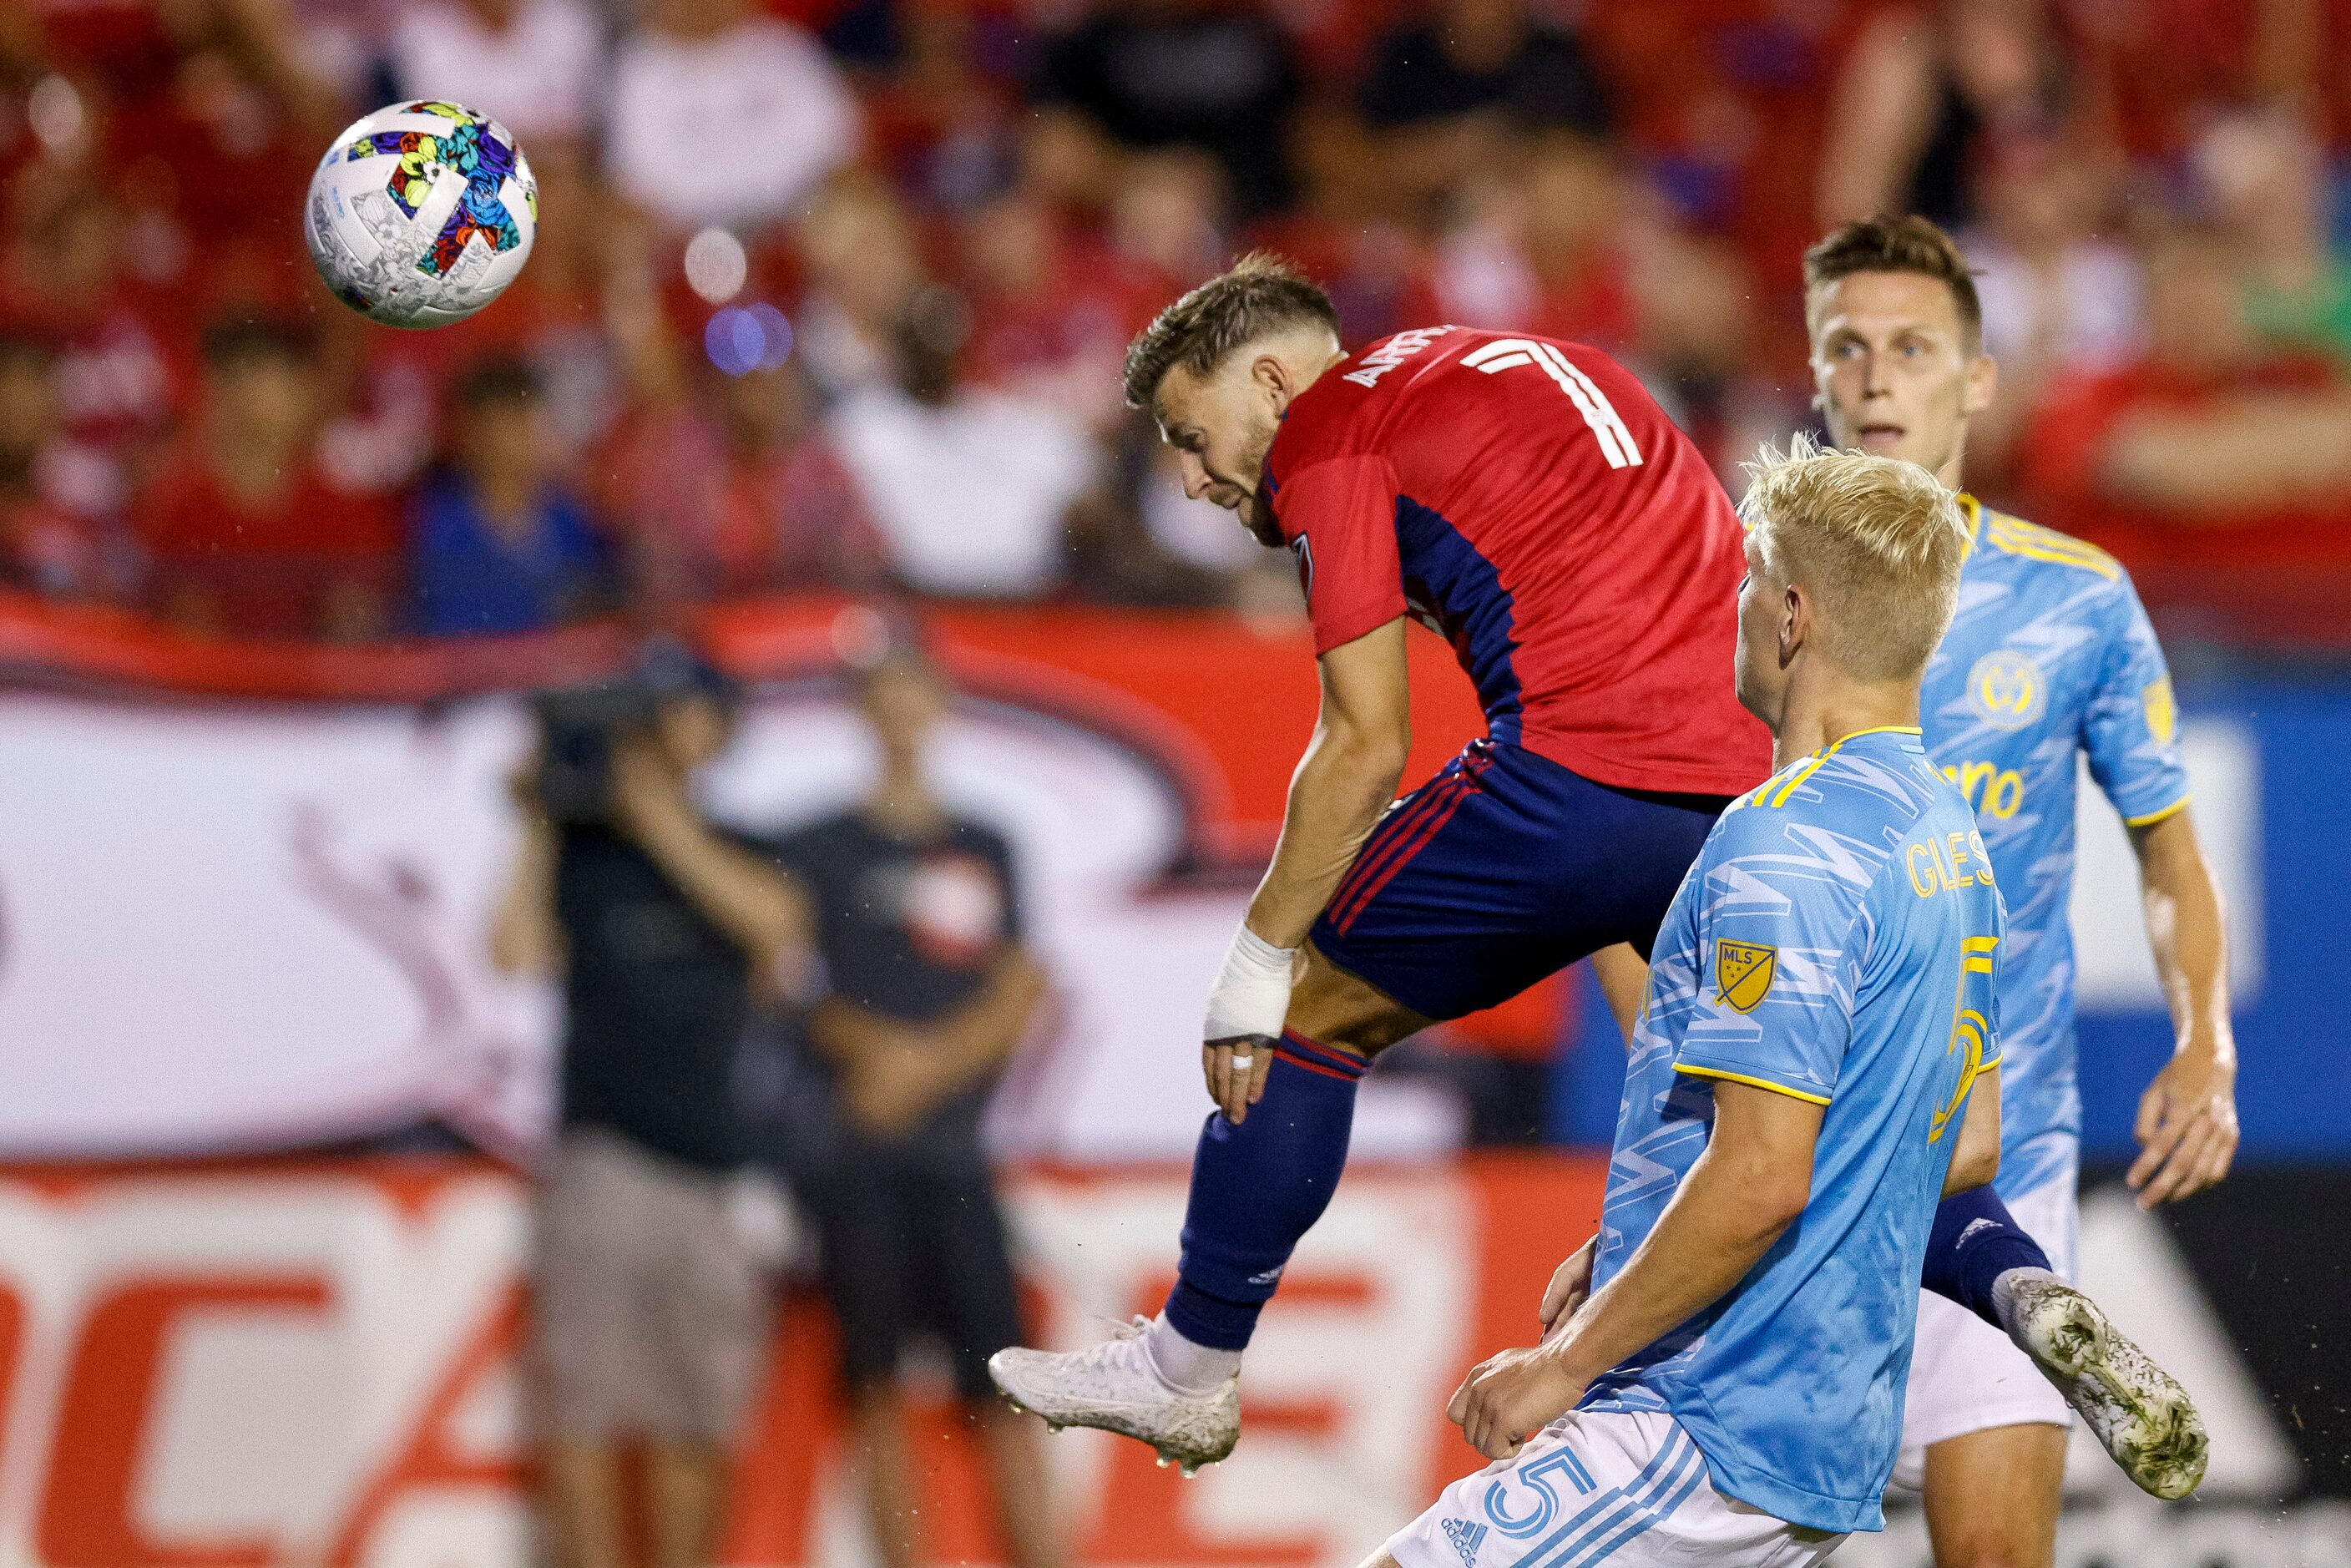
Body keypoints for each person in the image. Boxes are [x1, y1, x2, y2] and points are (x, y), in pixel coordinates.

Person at [987, 255, 1773, 1469]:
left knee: (1303, 1016)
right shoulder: (1501, 358)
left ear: (1270, 378)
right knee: (1753, 1095)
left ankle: (1188, 1368)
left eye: (1194, 439)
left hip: (1583, 769)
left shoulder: (1331, 434)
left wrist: (1256, 955)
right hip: (1748, 781)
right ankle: (2017, 1288)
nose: (1191, 482)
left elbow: (1363, 744)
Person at [1386, 440, 2005, 1567]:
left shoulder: (1787, 840)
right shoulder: (1950, 839)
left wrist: (1564, 1364)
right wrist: (1645, 1235)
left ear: (1792, 616)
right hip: (1819, 1431)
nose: (1731, 604)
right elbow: (1962, 1137)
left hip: (1702, 1414)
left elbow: (1766, 1174)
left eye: (1746, 579)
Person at [1802, 212, 2227, 1561]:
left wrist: (2203, 1043)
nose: (1876, 377)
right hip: (1775, 1154)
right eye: (1846, 347)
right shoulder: (1749, 596)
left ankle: (2015, 1282)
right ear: (1814, 374)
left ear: (1977, 378)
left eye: (1912, 348)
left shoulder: (2076, 600)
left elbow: (2167, 845)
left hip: (2002, 1154)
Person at [492, 645, 803, 1568]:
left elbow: (775, 926)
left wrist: (654, 814)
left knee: (694, 1421)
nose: (664, 731)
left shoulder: (741, 846)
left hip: (711, 1171)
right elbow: (511, 950)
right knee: (585, 1413)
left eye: (682, 712)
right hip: (602, 1161)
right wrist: (541, 820)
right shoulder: (585, 857)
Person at [768, 636, 1061, 1568]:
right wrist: (873, 1055)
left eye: (911, 693)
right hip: (858, 1158)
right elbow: (787, 985)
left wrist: (916, 1068)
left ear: (936, 705)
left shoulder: (982, 847)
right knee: (876, 1384)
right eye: (880, 695)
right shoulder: (814, 847)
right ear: (860, 710)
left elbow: (1020, 986)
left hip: (952, 1152)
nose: (898, 714)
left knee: (1007, 1387)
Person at [409, 358, 612, 636]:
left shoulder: (571, 519)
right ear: (472, 436)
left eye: (524, 425)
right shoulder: (441, 527)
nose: (515, 444)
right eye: (502, 428)